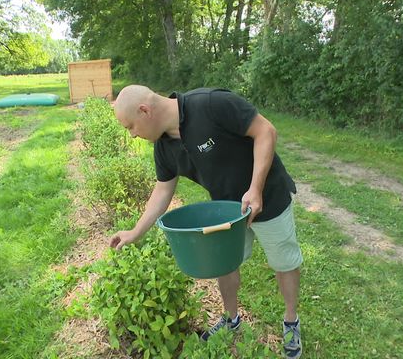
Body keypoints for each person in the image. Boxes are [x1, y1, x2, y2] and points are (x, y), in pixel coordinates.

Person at [109, 85, 303, 358]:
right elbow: (163, 190)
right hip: (227, 209)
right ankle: (231, 318)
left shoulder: (212, 105)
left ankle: (291, 321)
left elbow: (266, 131)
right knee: (224, 262)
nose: (132, 134)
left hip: (268, 195)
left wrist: (256, 187)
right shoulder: (164, 147)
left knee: (284, 262)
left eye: (131, 126)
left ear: (145, 111)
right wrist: (135, 232)